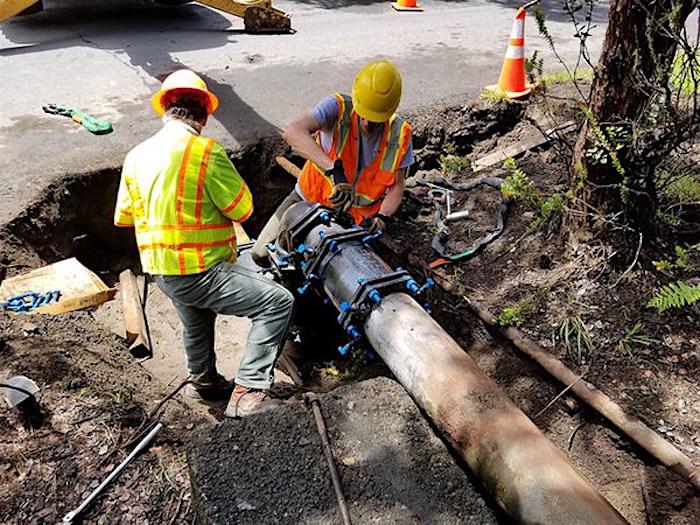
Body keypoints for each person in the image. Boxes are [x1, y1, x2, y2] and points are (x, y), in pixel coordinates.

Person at [114, 69, 294, 418]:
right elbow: (242, 208)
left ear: (164, 108)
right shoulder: (205, 152)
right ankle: (248, 392)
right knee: (277, 302)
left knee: (196, 320)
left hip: (163, 272)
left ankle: (205, 382)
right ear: (205, 115)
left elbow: (126, 216)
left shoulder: (136, 155)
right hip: (201, 269)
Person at [251, 60, 415, 267]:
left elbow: (397, 185)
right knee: (260, 254)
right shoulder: (337, 108)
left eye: (375, 119)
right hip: (308, 201)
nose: (367, 124)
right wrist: (333, 171)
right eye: (364, 116)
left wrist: (383, 217)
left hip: (353, 223)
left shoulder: (400, 135)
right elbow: (293, 132)